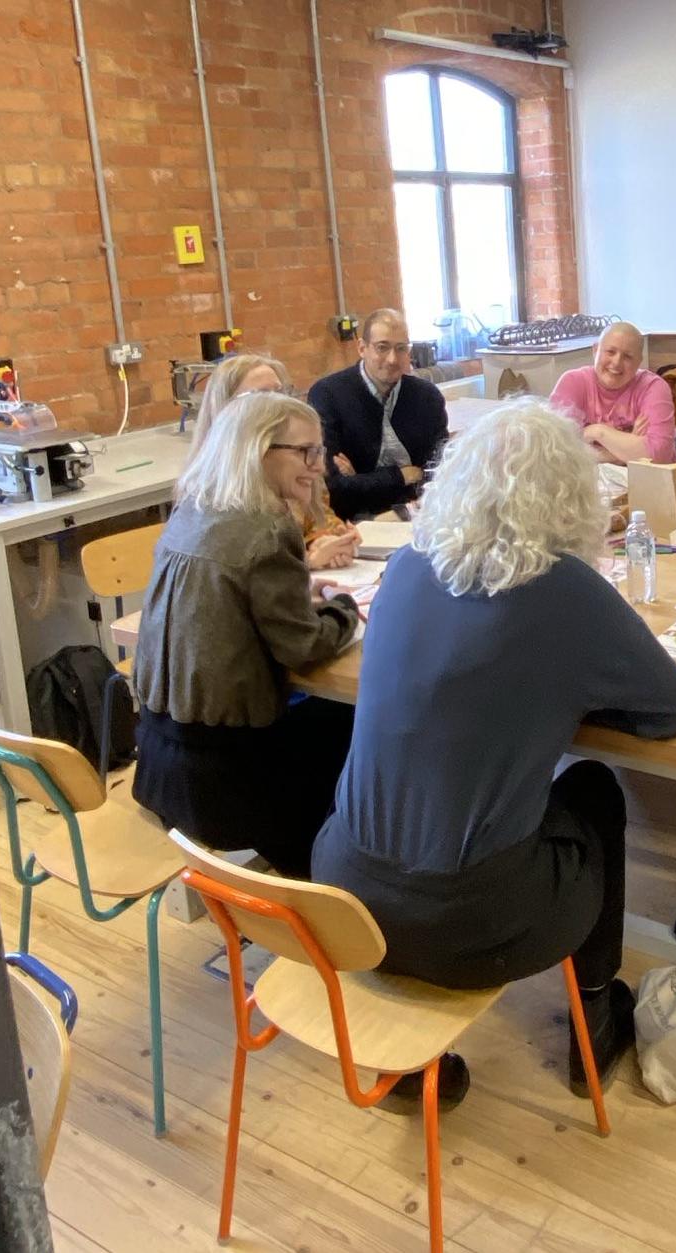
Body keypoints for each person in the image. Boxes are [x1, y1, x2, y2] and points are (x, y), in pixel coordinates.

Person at [313, 399, 676, 1111]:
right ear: (572, 495)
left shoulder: (404, 567)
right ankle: (595, 1013)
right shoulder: (565, 587)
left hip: (342, 893)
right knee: (592, 787)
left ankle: (404, 1050)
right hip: (470, 923)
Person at [133, 391, 359, 878]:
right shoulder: (265, 529)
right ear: (260, 451)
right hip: (226, 780)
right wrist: (344, 611)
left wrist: (298, 588)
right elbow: (303, 648)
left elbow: (229, 601)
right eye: (306, 452)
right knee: (356, 720)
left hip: (160, 758)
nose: (318, 466)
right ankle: (324, 878)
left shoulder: (192, 511)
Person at [191, 353, 358, 571]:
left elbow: (320, 515)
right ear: (228, 411)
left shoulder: (298, 459)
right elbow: (242, 574)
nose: (279, 406)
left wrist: (326, 541)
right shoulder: (213, 491)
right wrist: (308, 563)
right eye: (262, 397)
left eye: (280, 393)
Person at [308, 308, 449, 520]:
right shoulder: (328, 395)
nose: (393, 359)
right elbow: (336, 486)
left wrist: (361, 478)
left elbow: (440, 471)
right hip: (355, 522)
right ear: (362, 348)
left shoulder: (427, 397)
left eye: (401, 348)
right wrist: (402, 475)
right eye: (382, 347)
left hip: (420, 512)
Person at [549, 322, 676, 464]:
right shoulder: (572, 382)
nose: (617, 362)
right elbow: (558, 451)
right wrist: (627, 448)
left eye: (628, 356)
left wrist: (597, 432)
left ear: (639, 362)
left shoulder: (653, 387)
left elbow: (659, 455)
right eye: (610, 352)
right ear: (595, 350)